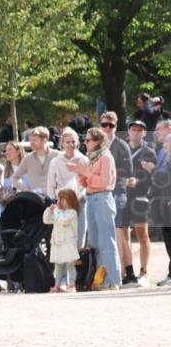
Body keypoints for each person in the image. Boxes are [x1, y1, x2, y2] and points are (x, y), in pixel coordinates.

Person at [67, 128, 121, 290]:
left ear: (97, 141)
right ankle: (100, 279)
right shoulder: (93, 157)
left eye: (88, 140)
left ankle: (114, 279)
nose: (85, 143)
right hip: (91, 199)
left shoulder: (106, 157)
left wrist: (85, 172)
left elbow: (104, 182)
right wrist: (80, 175)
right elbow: (89, 181)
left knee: (107, 241)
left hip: (103, 198)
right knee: (96, 243)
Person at [98, 111, 136, 286]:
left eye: (110, 125)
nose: (107, 128)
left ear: (116, 126)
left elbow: (128, 172)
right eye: (104, 125)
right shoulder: (96, 145)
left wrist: (108, 178)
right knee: (110, 234)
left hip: (117, 192)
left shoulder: (122, 146)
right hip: (99, 193)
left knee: (118, 232)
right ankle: (127, 272)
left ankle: (123, 274)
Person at [123, 120, 157, 287]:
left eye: (139, 130)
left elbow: (153, 177)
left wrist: (139, 180)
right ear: (128, 131)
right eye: (133, 129)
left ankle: (144, 272)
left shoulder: (149, 152)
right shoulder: (122, 149)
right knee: (123, 236)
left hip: (141, 197)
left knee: (142, 235)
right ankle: (127, 272)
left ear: (144, 133)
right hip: (123, 197)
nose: (136, 132)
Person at [140, 119, 171, 286]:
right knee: (167, 237)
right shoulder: (161, 150)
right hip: (163, 200)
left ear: (168, 128)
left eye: (159, 129)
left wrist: (153, 169)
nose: (156, 132)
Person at [47, 128, 89, 247]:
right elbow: (50, 184)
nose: (71, 144)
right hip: (61, 204)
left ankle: (79, 264)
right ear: (62, 143)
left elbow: (87, 182)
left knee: (79, 238)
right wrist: (53, 202)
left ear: (77, 142)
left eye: (73, 141)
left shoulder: (84, 160)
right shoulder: (55, 161)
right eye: (67, 142)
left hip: (80, 202)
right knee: (63, 240)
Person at [44, 189, 81, 293]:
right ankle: (57, 285)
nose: (58, 201)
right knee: (58, 266)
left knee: (70, 265)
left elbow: (63, 220)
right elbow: (46, 220)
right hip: (57, 243)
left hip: (68, 244)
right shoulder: (58, 213)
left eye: (61, 199)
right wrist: (49, 210)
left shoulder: (72, 213)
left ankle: (72, 284)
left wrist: (56, 211)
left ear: (68, 200)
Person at [11, 126, 60, 196]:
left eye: (34, 140)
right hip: (36, 200)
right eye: (30, 140)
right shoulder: (28, 159)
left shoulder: (58, 156)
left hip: (56, 199)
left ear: (44, 140)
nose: (31, 143)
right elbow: (14, 178)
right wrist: (25, 189)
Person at [1, 141, 26, 205]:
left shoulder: (28, 169)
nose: (6, 153)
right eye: (6, 151)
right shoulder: (3, 170)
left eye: (9, 150)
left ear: (18, 152)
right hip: (9, 205)